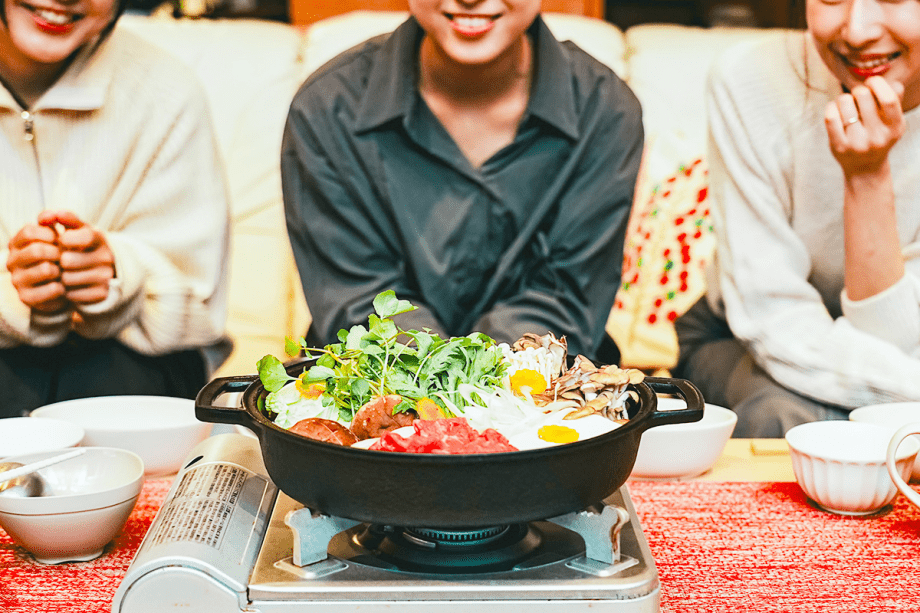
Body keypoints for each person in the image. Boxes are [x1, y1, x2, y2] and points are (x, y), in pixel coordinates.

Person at [281, 1, 643, 364]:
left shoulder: (605, 110)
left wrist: (478, 394)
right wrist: (443, 394)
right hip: (376, 382)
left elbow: (565, 299)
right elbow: (358, 299)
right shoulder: (326, 109)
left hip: (541, 385)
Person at [674, 0, 920, 437]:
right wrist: (866, 176)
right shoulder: (749, 79)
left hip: (903, 346)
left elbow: (902, 340)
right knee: (792, 422)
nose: (858, 30)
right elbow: (772, 316)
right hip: (742, 331)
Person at [0, 0, 232, 418]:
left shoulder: (166, 91)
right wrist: (14, 294)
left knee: (117, 387)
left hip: (130, 366)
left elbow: (200, 315)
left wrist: (117, 272)